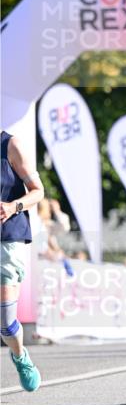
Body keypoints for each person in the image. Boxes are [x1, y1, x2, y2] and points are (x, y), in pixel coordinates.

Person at [1, 130, 45, 390]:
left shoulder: (10, 145)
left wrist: (12, 206)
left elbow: (38, 192)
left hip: (7, 238)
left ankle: (20, 356)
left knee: (6, 323)